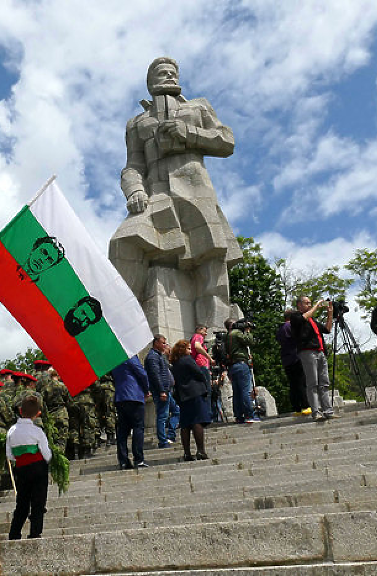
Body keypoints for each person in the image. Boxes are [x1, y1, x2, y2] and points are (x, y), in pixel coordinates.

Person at [109, 57, 241, 337]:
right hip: (158, 194)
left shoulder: (198, 106)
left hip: (196, 192)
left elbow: (226, 140)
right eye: (161, 72)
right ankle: (123, 322)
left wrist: (188, 133)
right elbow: (133, 165)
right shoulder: (136, 123)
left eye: (173, 72)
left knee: (210, 266)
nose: (169, 75)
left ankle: (213, 339)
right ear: (150, 82)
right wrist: (135, 190)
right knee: (123, 241)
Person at [6, 396, 52, 540]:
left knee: (22, 503)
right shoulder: (37, 431)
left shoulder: (11, 431)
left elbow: (10, 455)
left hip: (21, 468)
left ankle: (14, 533)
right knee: (38, 502)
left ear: (20, 411)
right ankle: (35, 532)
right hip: (38, 468)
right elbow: (46, 453)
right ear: (38, 413)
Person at [291, 296, 339, 421]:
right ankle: (316, 412)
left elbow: (327, 329)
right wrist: (317, 306)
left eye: (310, 303)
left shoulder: (312, 320)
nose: (309, 305)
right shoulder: (295, 317)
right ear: (299, 305)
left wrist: (330, 314)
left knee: (324, 383)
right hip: (308, 352)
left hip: (320, 352)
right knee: (313, 383)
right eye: (307, 303)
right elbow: (303, 318)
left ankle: (328, 411)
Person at [170, 339, 211, 461]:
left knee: (185, 425)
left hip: (183, 395)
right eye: (188, 348)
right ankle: (201, 450)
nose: (190, 350)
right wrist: (205, 383)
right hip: (195, 393)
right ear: (182, 349)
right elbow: (199, 373)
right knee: (197, 421)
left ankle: (187, 453)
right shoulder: (187, 360)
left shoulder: (175, 364)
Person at [111, 356, 150, 470]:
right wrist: (146, 389)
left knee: (123, 430)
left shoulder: (114, 359)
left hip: (120, 396)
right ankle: (138, 459)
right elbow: (141, 373)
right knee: (138, 427)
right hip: (133, 394)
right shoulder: (129, 355)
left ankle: (123, 460)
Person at [225, 318, 261, 424]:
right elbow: (249, 341)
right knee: (245, 391)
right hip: (241, 364)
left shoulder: (227, 336)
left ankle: (239, 416)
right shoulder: (236, 333)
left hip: (232, 367)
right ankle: (249, 415)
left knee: (237, 393)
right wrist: (248, 331)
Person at [276, 312, 310, 415]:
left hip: (286, 359)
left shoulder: (280, 329)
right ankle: (305, 406)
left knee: (293, 385)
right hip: (295, 356)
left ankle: (297, 408)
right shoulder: (290, 326)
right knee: (301, 382)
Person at [145, 334, 175, 448]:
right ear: (156, 343)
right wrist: (162, 390)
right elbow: (155, 375)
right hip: (161, 391)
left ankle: (170, 435)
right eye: (163, 343)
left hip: (167, 390)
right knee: (162, 415)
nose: (165, 345)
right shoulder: (152, 357)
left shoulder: (158, 356)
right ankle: (163, 441)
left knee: (176, 410)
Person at [40, 368, 71, 451]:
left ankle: (54, 458)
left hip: (51, 415)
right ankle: (61, 457)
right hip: (62, 413)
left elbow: (42, 403)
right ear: (58, 375)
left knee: (53, 439)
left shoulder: (45, 388)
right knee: (62, 439)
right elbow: (68, 400)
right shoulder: (62, 386)